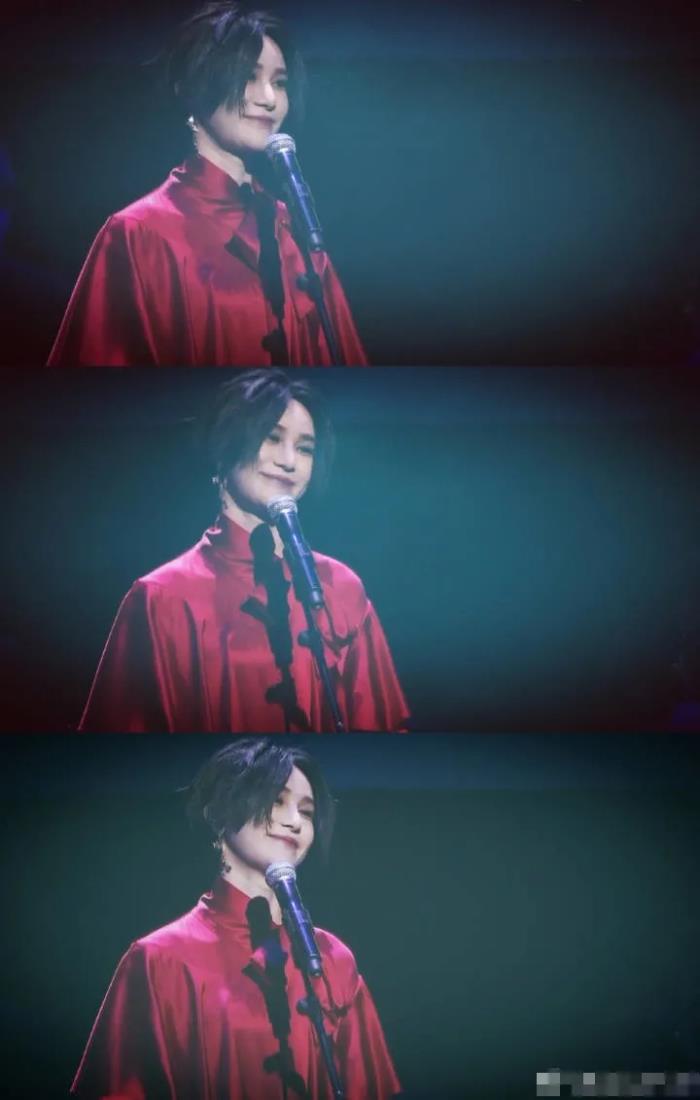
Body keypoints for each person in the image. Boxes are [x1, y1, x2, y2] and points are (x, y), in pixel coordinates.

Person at [71, 738, 402, 1099]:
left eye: (307, 812)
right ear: (219, 813)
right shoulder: (159, 959)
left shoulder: (331, 957)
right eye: (277, 801)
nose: (294, 822)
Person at [79, 369, 409, 732]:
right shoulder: (161, 598)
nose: (289, 461)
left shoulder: (340, 586)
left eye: (305, 448)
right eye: (272, 438)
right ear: (226, 446)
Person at [48, 3, 366, 367]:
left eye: (280, 83)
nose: (269, 99)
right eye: (248, 77)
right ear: (193, 90)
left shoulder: (293, 227)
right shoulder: (138, 233)